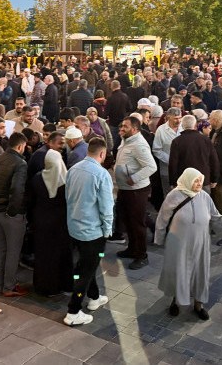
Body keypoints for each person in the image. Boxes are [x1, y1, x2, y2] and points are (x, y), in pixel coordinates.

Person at [156, 167, 222, 320]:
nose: (199, 183)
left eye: (200, 180)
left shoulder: (205, 197)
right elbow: (163, 218)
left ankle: (198, 304)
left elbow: (216, 217)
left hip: (200, 243)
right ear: (187, 179)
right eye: (195, 180)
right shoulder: (174, 195)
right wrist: (159, 237)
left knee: (199, 272)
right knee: (179, 271)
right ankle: (176, 301)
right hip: (178, 243)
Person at [64, 138, 113, 326]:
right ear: (102, 154)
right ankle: (73, 311)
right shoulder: (101, 175)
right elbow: (106, 207)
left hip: (74, 228)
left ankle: (94, 297)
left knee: (87, 265)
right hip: (93, 232)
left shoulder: (73, 169)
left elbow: (68, 196)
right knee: (85, 271)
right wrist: (107, 230)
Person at [114, 116, 157, 270]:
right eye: (121, 126)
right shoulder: (126, 140)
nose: (121, 128)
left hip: (136, 191)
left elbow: (151, 166)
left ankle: (141, 255)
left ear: (135, 129)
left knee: (137, 224)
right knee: (128, 221)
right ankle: (132, 249)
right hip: (125, 189)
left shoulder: (139, 145)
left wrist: (134, 178)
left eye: (125, 126)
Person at [0, 132, 29, 297]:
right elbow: (17, 189)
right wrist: (13, 212)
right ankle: (9, 287)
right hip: (9, 214)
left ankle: (1, 284)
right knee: (13, 251)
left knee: (3, 250)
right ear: (20, 146)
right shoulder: (20, 163)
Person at [29, 148, 73, 296]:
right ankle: (64, 284)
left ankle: (45, 287)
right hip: (61, 223)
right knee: (61, 255)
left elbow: (31, 201)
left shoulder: (37, 178)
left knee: (44, 255)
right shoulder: (67, 181)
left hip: (41, 222)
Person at [168, 115, 219, 194]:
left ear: (182, 125)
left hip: (184, 181)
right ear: (195, 125)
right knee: (203, 204)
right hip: (203, 180)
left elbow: (173, 164)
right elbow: (213, 160)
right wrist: (214, 178)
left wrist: (173, 182)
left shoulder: (177, 141)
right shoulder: (205, 139)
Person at [153, 107, 183, 197]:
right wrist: (171, 161)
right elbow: (156, 150)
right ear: (169, 117)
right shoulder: (161, 130)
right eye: (175, 119)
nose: (178, 121)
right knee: (169, 195)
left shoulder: (183, 128)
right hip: (166, 170)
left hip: (182, 169)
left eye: (180, 118)